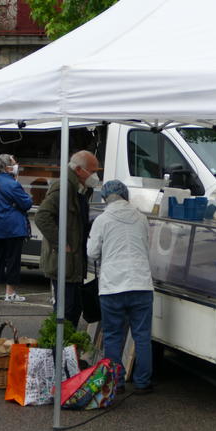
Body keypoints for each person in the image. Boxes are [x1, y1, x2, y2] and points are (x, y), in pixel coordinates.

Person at [87, 180, 154, 395]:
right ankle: (143, 382)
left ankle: (116, 382)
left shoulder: (103, 220)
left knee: (113, 336)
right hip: (141, 284)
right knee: (142, 335)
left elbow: (92, 253)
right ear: (126, 197)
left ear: (106, 198)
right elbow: (145, 244)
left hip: (113, 286)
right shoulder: (142, 218)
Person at [34, 150, 101, 328]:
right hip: (63, 261)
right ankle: (58, 350)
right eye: (93, 171)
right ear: (79, 170)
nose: (95, 175)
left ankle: (65, 349)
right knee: (66, 309)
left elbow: (77, 221)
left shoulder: (80, 189)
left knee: (74, 308)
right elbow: (42, 217)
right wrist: (61, 243)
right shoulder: (63, 188)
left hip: (74, 261)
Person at [0, 154, 32, 302]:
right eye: (14, 163)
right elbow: (26, 203)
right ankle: (10, 292)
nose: (16, 165)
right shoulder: (13, 184)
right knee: (13, 260)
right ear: (7, 168)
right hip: (12, 227)